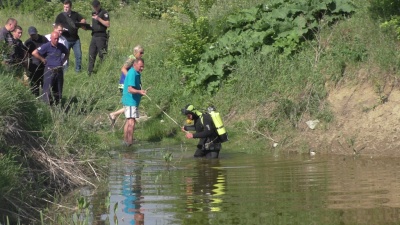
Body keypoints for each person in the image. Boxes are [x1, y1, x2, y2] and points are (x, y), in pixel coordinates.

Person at [108, 45, 144, 127]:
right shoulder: (132, 59)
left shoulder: (136, 60)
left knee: (129, 105)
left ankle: (115, 115)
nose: (142, 54)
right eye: (140, 52)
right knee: (129, 104)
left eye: (143, 53)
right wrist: (129, 78)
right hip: (125, 83)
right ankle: (114, 114)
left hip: (130, 83)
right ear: (135, 52)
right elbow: (123, 68)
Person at [32, 31, 69, 105]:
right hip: (50, 70)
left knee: (58, 90)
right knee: (47, 90)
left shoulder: (61, 46)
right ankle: (45, 105)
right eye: (55, 39)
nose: (56, 40)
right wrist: (42, 59)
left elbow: (67, 52)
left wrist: (63, 60)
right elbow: (34, 52)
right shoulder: (46, 46)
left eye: (57, 39)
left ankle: (57, 105)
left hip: (59, 71)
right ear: (51, 38)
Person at [55, 0, 85, 72]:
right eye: (64, 7)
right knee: (65, 56)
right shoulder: (60, 16)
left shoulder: (75, 14)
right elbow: (55, 26)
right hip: (65, 39)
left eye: (67, 7)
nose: (65, 8)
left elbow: (83, 20)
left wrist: (81, 23)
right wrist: (61, 30)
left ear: (70, 7)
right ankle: (65, 71)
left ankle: (78, 71)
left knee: (79, 56)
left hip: (75, 39)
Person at [121, 58, 146, 146]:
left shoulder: (136, 72)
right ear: (135, 65)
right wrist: (140, 92)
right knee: (131, 122)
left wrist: (140, 91)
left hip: (131, 101)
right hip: (130, 100)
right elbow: (130, 89)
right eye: (140, 66)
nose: (142, 68)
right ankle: (130, 143)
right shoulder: (132, 73)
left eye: (143, 67)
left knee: (129, 121)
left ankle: (126, 141)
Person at [24, 26, 49, 96]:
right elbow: (26, 54)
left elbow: (49, 48)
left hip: (44, 63)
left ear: (37, 32)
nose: (33, 36)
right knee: (35, 82)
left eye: (34, 34)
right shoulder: (28, 42)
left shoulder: (43, 39)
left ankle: (45, 97)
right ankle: (35, 96)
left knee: (45, 81)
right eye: (31, 35)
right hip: (34, 65)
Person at [88, 0, 110, 75]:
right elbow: (95, 24)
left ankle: (103, 71)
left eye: (96, 6)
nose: (95, 8)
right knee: (91, 53)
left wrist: (99, 19)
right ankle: (90, 72)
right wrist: (89, 26)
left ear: (99, 5)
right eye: (94, 7)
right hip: (94, 35)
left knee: (102, 54)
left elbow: (107, 24)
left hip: (101, 36)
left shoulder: (104, 13)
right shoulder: (93, 13)